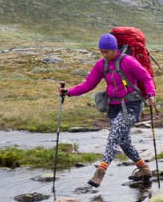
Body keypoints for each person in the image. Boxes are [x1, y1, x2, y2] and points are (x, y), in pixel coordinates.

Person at [60, 33, 157, 187]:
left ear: (114, 49)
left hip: (131, 106)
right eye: (101, 52)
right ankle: (144, 169)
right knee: (124, 142)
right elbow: (88, 84)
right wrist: (69, 92)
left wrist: (151, 94)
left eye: (106, 52)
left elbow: (146, 78)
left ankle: (100, 172)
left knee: (113, 136)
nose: (104, 55)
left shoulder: (128, 61)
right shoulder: (101, 64)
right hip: (113, 106)